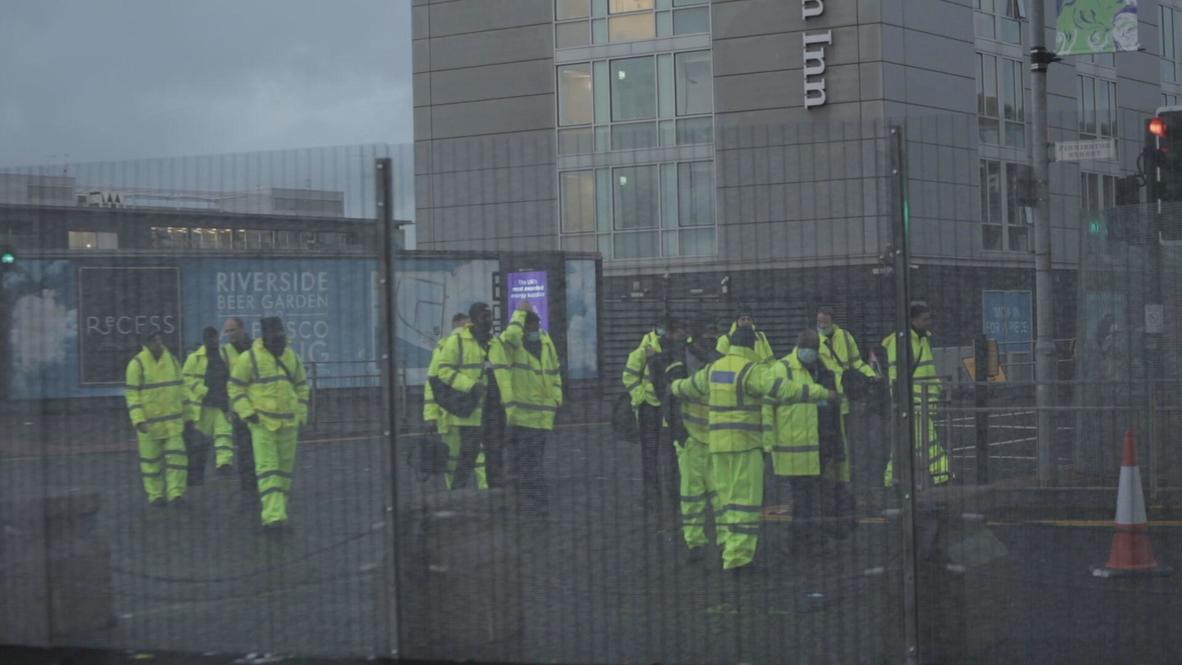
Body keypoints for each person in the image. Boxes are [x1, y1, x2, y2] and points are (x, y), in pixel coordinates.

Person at [673, 327, 836, 573]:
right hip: (744, 445)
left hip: (718, 446)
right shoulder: (752, 370)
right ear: (752, 346)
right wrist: (822, 393)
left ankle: (729, 550)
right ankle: (738, 559)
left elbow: (687, 387)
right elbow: (785, 390)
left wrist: (672, 387)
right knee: (745, 504)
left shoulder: (714, 369)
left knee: (727, 502)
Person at [766, 329, 854, 556]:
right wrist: (767, 441)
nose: (810, 353)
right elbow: (768, 406)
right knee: (804, 499)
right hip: (795, 448)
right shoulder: (782, 368)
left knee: (814, 499)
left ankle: (810, 542)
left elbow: (836, 404)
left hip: (821, 444)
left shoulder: (824, 368)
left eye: (814, 349)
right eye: (807, 349)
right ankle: (803, 543)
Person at [229, 317, 310, 530]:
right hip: (262, 425)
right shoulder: (250, 358)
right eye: (274, 334)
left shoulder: (291, 357)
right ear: (264, 336)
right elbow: (235, 387)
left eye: (280, 334)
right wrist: (248, 413)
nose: (278, 338)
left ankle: (279, 513)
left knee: (284, 472)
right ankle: (273, 517)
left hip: (289, 425)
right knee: (268, 469)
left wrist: (301, 413)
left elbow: (302, 386)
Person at [491, 300, 563, 516]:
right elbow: (512, 335)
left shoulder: (546, 342)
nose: (535, 328)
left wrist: (556, 398)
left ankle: (531, 505)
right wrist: (519, 313)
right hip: (521, 418)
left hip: (541, 418)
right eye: (531, 325)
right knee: (524, 466)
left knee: (532, 465)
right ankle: (529, 505)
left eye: (537, 324)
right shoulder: (512, 344)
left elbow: (555, 372)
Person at [433, 302, 504, 489]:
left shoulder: (495, 342)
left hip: (494, 409)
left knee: (494, 455)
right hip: (472, 410)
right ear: (473, 319)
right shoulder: (456, 341)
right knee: (468, 456)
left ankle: (494, 492)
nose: (488, 321)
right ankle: (457, 491)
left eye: (490, 316)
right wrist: (471, 385)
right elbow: (444, 371)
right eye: (484, 317)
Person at [667, 324, 722, 562]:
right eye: (708, 336)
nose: (712, 341)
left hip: (716, 436)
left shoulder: (718, 360)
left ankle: (725, 541)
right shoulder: (680, 361)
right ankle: (695, 543)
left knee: (720, 495)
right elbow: (670, 395)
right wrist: (679, 432)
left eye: (715, 336)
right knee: (692, 494)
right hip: (691, 437)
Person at [882, 302, 951, 487]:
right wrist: (903, 401)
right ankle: (942, 476)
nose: (929, 322)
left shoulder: (921, 339)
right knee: (929, 442)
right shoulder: (902, 342)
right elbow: (896, 376)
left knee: (902, 445)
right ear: (912, 320)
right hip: (914, 403)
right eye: (925, 319)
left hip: (921, 401)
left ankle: (891, 480)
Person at [623, 319, 687, 505]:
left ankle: (673, 492)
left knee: (671, 454)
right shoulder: (644, 351)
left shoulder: (677, 349)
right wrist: (641, 398)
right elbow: (629, 376)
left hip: (668, 406)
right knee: (651, 455)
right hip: (649, 408)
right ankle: (653, 495)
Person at [425, 313, 488, 490]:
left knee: (465, 455)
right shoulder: (449, 347)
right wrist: (431, 415)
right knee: (468, 456)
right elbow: (433, 384)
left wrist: (431, 416)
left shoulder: (446, 347)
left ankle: (459, 491)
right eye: (463, 327)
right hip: (458, 413)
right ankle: (473, 490)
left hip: (455, 413)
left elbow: (432, 384)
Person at [125, 331, 188, 506]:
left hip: (173, 423)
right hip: (149, 425)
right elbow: (132, 395)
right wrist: (138, 420)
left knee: (177, 459)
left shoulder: (172, 361)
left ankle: (176, 493)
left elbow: (182, 389)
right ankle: (156, 495)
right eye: (154, 340)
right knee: (151, 462)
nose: (158, 342)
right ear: (146, 343)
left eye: (159, 339)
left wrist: (189, 415)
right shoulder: (136, 364)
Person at [182, 327, 235, 474]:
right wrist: (202, 390)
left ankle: (224, 464)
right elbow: (185, 377)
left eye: (215, 338)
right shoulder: (195, 358)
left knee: (224, 434)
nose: (213, 341)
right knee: (200, 439)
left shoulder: (225, 355)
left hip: (221, 403)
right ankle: (197, 469)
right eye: (210, 339)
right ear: (205, 340)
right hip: (203, 404)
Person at [222, 316, 257, 499]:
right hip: (239, 408)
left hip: (258, 406)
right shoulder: (225, 352)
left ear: (242, 329)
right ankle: (248, 488)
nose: (230, 334)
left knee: (260, 449)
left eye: (233, 330)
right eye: (228, 331)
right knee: (244, 450)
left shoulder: (256, 348)